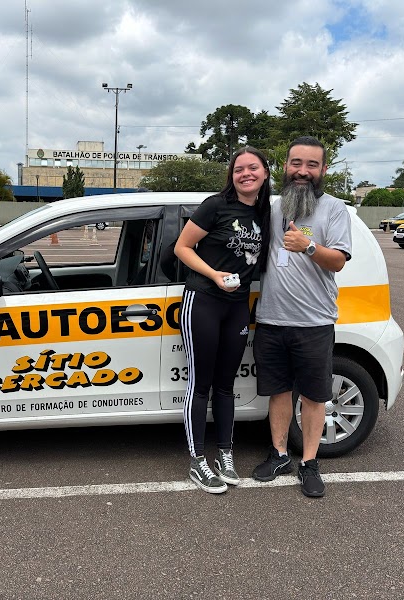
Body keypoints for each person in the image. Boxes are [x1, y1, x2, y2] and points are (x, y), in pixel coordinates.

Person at [252, 136, 352, 498]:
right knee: (278, 392)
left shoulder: (335, 210)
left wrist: (308, 246)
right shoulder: (275, 208)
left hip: (314, 323)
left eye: (312, 165)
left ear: (323, 170)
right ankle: (279, 454)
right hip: (272, 319)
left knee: (312, 396)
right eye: (297, 163)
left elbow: (338, 260)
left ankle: (309, 462)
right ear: (285, 166)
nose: (303, 171)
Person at [174, 147, 271, 494]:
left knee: (226, 384)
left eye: (253, 168)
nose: (245, 173)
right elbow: (182, 248)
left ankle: (225, 455)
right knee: (200, 384)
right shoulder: (215, 205)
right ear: (231, 175)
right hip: (203, 300)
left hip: (238, 306)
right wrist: (214, 274)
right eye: (239, 169)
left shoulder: (264, 211)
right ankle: (198, 461)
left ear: (264, 172)